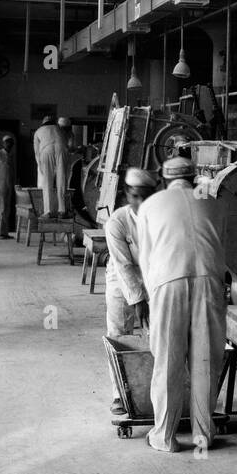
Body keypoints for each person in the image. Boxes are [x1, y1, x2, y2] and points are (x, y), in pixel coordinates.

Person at [135, 155, 227, 453]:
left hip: (167, 281)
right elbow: (220, 244)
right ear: (195, 177)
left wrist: (153, 297)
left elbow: (146, 258)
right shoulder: (213, 202)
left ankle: (165, 436)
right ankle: (203, 434)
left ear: (163, 180)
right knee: (205, 361)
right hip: (210, 280)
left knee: (168, 360)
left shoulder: (150, 205)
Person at [104, 168, 158, 414]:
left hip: (152, 279)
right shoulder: (117, 221)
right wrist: (138, 300)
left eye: (145, 196)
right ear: (127, 195)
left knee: (155, 336)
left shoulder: (160, 217)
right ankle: (119, 395)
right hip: (119, 279)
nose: (140, 202)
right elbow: (124, 265)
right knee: (119, 335)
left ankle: (153, 394)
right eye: (135, 196)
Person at [32, 114, 69, 218]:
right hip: (61, 149)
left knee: (47, 182)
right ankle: (62, 211)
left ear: (43, 123)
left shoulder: (38, 131)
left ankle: (48, 211)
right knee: (61, 181)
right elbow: (66, 144)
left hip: (46, 150)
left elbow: (37, 152)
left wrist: (41, 167)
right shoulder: (59, 129)